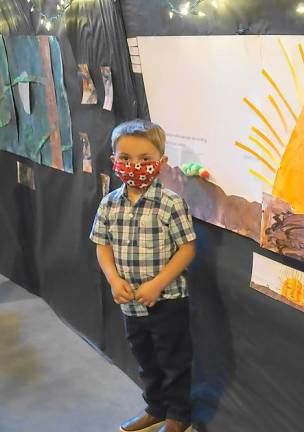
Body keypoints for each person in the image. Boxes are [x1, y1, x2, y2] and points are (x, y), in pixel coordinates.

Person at [90, 119, 197, 432]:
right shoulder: (109, 204)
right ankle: (156, 407)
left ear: (160, 162)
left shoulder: (171, 204)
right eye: (125, 158)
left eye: (144, 159)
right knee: (146, 358)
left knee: (174, 359)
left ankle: (178, 415)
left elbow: (187, 250)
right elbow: (102, 246)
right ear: (114, 160)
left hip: (168, 301)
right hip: (130, 304)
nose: (134, 166)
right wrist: (113, 279)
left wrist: (157, 284)